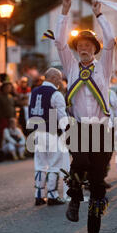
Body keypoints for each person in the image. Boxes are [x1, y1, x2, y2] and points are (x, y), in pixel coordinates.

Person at [56, 0, 115, 233]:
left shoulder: (104, 67)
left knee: (99, 185)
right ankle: (74, 199)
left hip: (102, 131)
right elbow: (59, 41)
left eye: (89, 44)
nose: (84, 47)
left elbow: (112, 40)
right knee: (79, 162)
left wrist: (99, 15)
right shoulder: (70, 66)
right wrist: (64, 10)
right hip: (79, 128)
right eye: (80, 43)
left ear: (95, 48)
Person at [28, 68, 67, 206]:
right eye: (60, 79)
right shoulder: (56, 94)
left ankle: (38, 195)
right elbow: (62, 117)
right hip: (51, 131)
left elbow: (30, 111)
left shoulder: (33, 92)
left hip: (37, 132)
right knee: (54, 165)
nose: (60, 82)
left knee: (40, 164)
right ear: (54, 78)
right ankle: (52, 195)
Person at [0, 81, 15, 149]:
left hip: (11, 118)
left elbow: (12, 107)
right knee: (2, 133)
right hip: (3, 118)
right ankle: (1, 147)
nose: (8, 89)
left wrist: (13, 116)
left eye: (9, 88)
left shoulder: (10, 96)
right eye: (7, 87)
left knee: (11, 133)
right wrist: (1, 117)